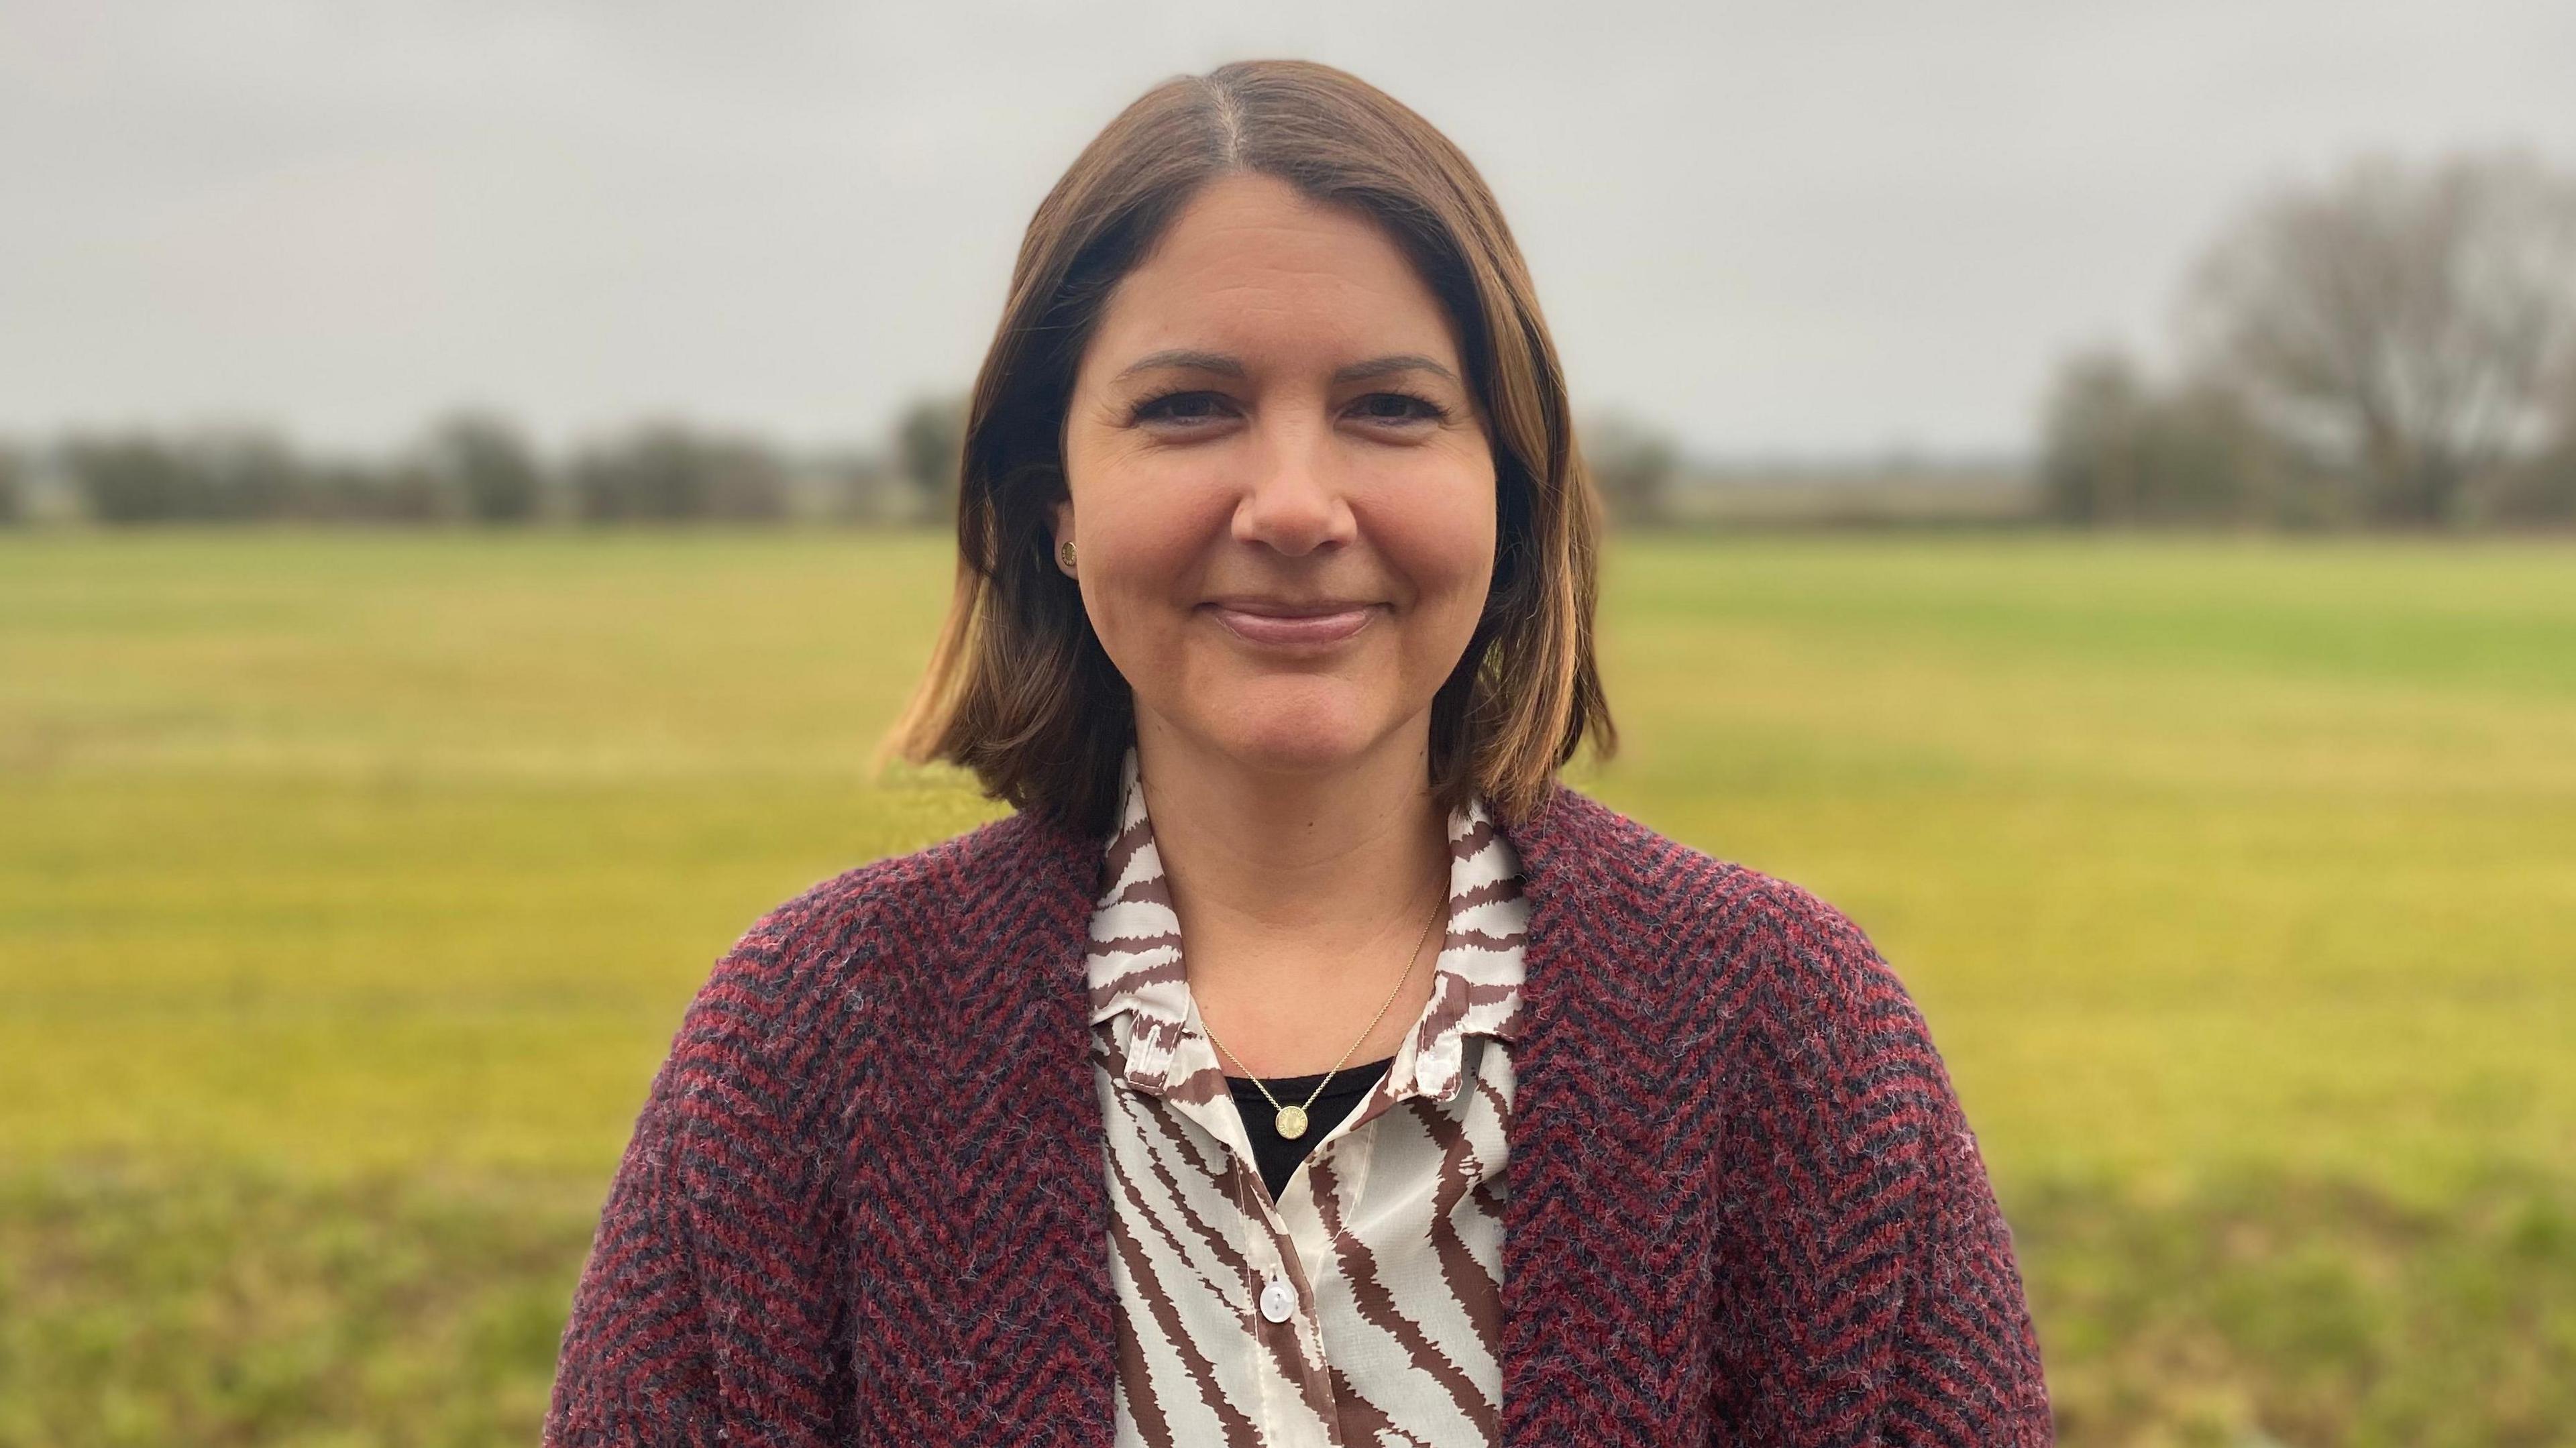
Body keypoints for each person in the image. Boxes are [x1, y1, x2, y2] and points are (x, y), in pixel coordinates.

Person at [545, 58, 2051, 1447]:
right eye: (1190, 407)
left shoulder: (1791, 1039)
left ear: (1509, 494)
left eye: (1390, 408)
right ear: (1053, 500)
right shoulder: (809, 1045)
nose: (1294, 505)